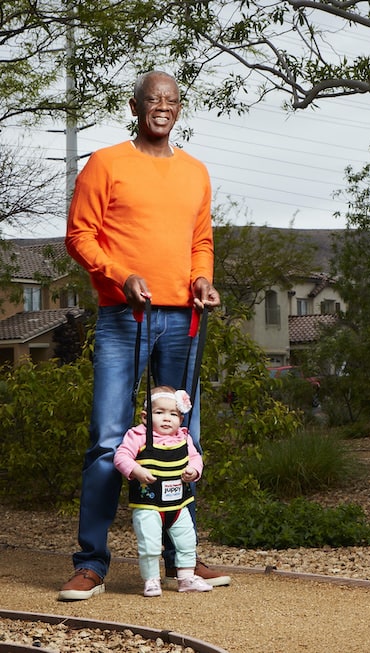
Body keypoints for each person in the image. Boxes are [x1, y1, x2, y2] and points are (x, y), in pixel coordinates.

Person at [58, 70, 230, 602]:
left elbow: (201, 240)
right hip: (123, 317)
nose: (162, 106)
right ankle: (91, 563)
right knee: (110, 441)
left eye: (171, 100)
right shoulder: (107, 163)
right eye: (152, 99)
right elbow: (78, 236)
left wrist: (203, 277)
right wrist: (118, 275)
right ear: (135, 107)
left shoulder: (196, 172)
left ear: (179, 110)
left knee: (183, 438)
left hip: (184, 320)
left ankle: (184, 556)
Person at [114, 385, 212, 596]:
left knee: (187, 541)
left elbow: (196, 458)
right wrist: (136, 470)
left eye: (173, 414)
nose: (167, 419)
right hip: (148, 505)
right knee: (149, 545)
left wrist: (193, 470)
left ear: (181, 419)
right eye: (159, 413)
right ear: (146, 417)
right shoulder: (138, 436)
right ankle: (151, 580)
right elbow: (121, 457)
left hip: (179, 504)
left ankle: (186, 578)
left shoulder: (183, 438)